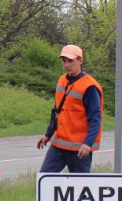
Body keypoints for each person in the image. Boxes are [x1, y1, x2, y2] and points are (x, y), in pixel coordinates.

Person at [37, 44, 103, 174]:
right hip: (59, 144)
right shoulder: (62, 80)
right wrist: (48, 134)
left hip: (79, 147)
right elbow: (57, 111)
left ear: (80, 60)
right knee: (45, 180)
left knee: (81, 188)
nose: (67, 65)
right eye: (64, 61)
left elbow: (95, 119)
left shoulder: (89, 86)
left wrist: (88, 143)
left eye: (71, 61)